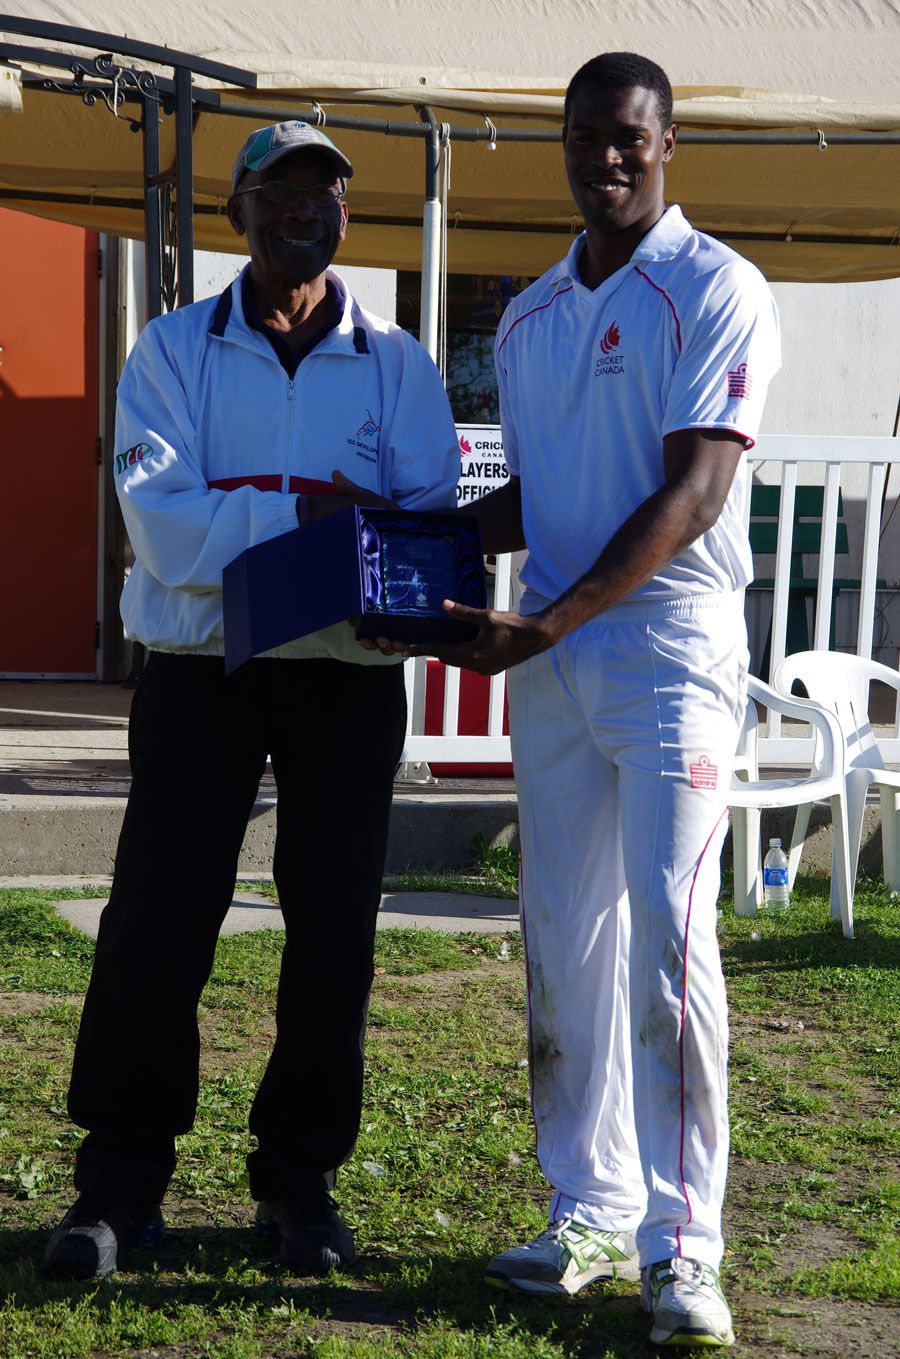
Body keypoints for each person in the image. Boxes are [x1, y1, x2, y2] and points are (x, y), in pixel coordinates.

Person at [364, 52, 780, 1349]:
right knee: (564, 935)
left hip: (667, 645)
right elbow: (531, 498)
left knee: (668, 934)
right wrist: (399, 558)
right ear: (562, 144)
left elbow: (696, 492)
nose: (608, 158)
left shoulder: (718, 289)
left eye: (631, 139)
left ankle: (683, 1244)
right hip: (552, 649)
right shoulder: (536, 313)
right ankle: (589, 1210)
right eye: (587, 137)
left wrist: (548, 616)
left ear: (667, 146)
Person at [42, 120, 461, 1280]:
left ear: (346, 214)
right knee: (156, 927)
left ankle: (301, 1188)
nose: (301, 212)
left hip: (348, 681)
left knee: (333, 940)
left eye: (323, 193)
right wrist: (321, 527)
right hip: (200, 677)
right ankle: (118, 1187)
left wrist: (298, 534)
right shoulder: (170, 351)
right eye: (277, 191)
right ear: (239, 211)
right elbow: (162, 530)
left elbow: (423, 529)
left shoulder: (400, 365)